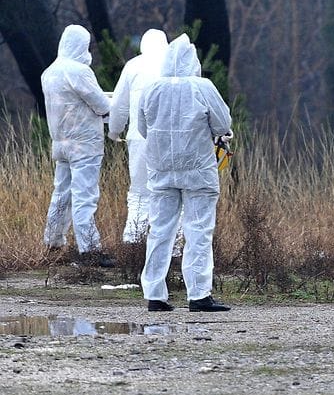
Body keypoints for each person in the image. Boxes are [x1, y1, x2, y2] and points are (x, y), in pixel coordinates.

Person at [138, 34, 233, 313]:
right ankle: (199, 295)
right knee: (198, 230)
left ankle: (155, 294)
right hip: (198, 171)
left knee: (159, 231)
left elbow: (143, 128)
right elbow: (222, 122)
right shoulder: (202, 87)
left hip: (161, 170)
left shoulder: (151, 88)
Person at [41, 24, 115, 268]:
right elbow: (101, 105)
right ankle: (90, 249)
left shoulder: (49, 72)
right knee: (85, 196)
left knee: (61, 193)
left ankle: (53, 242)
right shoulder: (79, 71)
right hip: (84, 145)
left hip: (61, 144)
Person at [108, 29, 169, 243]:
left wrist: (114, 130)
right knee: (171, 193)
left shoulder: (133, 66)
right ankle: (175, 246)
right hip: (170, 140)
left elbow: (118, 104)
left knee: (140, 192)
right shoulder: (173, 66)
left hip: (138, 138)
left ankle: (133, 242)